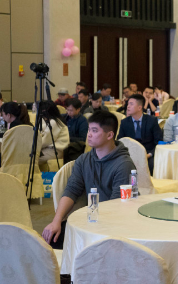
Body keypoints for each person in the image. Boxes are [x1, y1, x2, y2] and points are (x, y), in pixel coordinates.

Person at [42, 111, 136, 248]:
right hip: (91, 220)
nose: (89, 134)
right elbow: (71, 190)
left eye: (94, 130)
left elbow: (116, 206)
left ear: (109, 135)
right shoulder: (84, 160)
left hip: (114, 226)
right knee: (51, 239)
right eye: (89, 130)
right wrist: (56, 221)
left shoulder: (124, 165)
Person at [117, 94, 163, 175]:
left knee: (152, 164)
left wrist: (149, 154)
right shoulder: (125, 122)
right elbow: (120, 141)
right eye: (128, 104)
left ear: (139, 107)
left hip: (148, 153)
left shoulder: (152, 121)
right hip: (130, 153)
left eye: (131, 104)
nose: (128, 106)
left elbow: (159, 141)